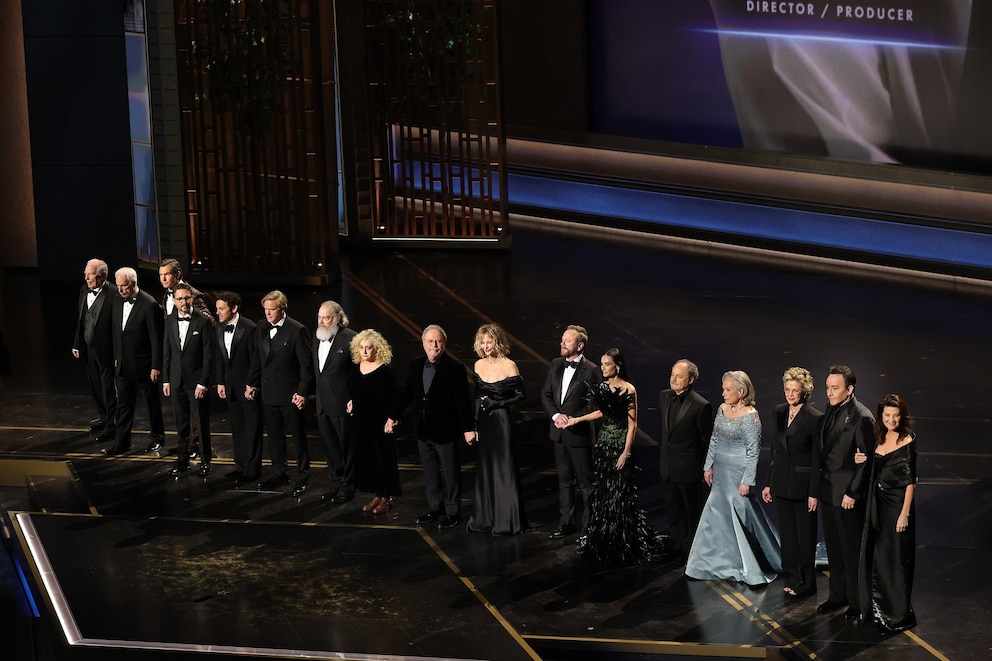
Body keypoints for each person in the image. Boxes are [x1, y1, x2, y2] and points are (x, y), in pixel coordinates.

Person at [566, 348, 662, 564]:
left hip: (619, 446)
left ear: (617, 366)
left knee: (619, 493)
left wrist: (626, 453)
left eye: (607, 364)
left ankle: (623, 540)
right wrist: (577, 419)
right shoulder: (602, 387)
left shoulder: (628, 389)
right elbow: (602, 412)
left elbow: (632, 424)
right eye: (602, 364)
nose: (603, 368)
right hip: (603, 446)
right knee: (604, 492)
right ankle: (605, 539)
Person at [686, 370, 781, 585]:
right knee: (716, 515)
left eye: (728, 390)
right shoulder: (722, 409)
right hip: (720, 471)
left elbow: (753, 451)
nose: (723, 393)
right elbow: (714, 439)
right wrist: (708, 466)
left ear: (741, 391)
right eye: (724, 389)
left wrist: (748, 480)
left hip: (738, 473)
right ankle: (710, 563)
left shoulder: (750, 416)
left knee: (742, 515)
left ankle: (748, 564)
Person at [386, 324, 475, 530]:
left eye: (438, 341)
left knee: (451, 474)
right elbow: (407, 393)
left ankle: (452, 512)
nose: (434, 345)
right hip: (423, 430)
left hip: (445, 431)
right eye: (430, 341)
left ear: (444, 344)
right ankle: (435, 508)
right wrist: (392, 415)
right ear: (423, 343)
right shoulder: (416, 364)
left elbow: (462, 401)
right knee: (430, 473)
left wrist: (468, 428)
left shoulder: (454, 368)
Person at [856, 394, 918, 633]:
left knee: (896, 560)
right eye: (887, 415)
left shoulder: (907, 440)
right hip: (877, 505)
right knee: (878, 558)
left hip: (897, 506)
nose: (891, 419)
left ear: (902, 416)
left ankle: (897, 615)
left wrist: (905, 514)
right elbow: (872, 464)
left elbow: (911, 482)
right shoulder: (878, 437)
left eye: (896, 415)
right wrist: (861, 458)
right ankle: (877, 610)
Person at [816, 365, 873, 621]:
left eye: (835, 388)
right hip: (829, 490)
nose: (829, 392)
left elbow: (866, 462)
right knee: (834, 549)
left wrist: (853, 492)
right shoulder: (830, 409)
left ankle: (857, 602)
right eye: (828, 387)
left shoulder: (862, 417)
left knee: (851, 551)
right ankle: (836, 596)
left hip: (847, 495)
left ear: (849, 389)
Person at [761, 367, 823, 598]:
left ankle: (806, 583)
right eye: (787, 389)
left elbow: (817, 458)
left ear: (804, 392)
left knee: (805, 537)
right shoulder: (779, 411)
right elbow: (775, 450)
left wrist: (814, 492)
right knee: (787, 536)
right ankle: (792, 577)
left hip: (803, 485)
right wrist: (769, 482)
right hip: (782, 482)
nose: (790, 394)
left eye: (795, 390)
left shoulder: (815, 418)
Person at [247, 290, 314, 497]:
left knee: (298, 437)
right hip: (269, 392)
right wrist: (252, 383)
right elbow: (258, 358)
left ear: (283, 309)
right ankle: (279, 473)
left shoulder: (297, 330)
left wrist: (302, 392)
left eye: (272, 309)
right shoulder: (261, 326)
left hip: (290, 394)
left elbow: (306, 366)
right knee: (275, 437)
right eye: (265, 309)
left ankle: (303, 476)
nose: (268, 313)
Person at [540, 325, 601, 540]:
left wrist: (573, 419)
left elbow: (594, 403)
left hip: (579, 434)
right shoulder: (556, 364)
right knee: (564, 481)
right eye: (562, 339)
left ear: (580, 345)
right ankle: (566, 523)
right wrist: (557, 416)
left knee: (586, 483)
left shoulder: (591, 370)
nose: (562, 343)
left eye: (567, 340)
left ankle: (589, 528)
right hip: (558, 433)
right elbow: (546, 394)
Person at [467, 323, 528, 536]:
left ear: (498, 342)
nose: (486, 346)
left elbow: (521, 395)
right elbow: (477, 396)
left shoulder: (509, 365)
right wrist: (474, 424)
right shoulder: (478, 365)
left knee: (503, 467)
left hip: (502, 421)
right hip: (485, 422)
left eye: (489, 342)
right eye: (482, 342)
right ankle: (486, 518)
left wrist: (497, 403)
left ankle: (506, 521)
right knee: (486, 468)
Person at [104, 267, 165, 455]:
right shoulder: (116, 300)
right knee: (123, 405)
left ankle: (158, 438)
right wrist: (117, 357)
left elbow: (156, 338)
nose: (120, 289)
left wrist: (155, 366)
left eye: (124, 286)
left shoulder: (149, 304)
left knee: (151, 403)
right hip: (123, 364)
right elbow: (116, 332)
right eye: (118, 285)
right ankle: (122, 443)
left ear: (134, 283)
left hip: (145, 365)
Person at [658, 359, 714, 562]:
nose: (673, 379)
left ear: (690, 380)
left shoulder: (701, 405)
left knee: (691, 514)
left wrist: (706, 467)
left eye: (679, 376)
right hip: (668, 466)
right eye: (672, 374)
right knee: (673, 511)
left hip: (688, 468)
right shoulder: (664, 396)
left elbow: (706, 440)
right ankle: (677, 545)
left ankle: (691, 552)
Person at [163, 283, 214, 476]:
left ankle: (205, 461)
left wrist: (203, 383)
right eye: (180, 299)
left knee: (201, 423)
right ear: (174, 301)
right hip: (176, 381)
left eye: (186, 298)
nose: (184, 302)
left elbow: (208, 356)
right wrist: (166, 380)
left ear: (191, 298)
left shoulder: (202, 321)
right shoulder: (169, 320)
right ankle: (182, 460)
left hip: (196, 383)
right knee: (181, 424)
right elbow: (167, 351)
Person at [348, 329, 400, 514]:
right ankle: (377, 494)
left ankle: (387, 497)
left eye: (368, 348)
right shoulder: (357, 369)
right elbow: (354, 390)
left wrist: (391, 419)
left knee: (382, 459)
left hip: (380, 423)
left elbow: (394, 398)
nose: (364, 351)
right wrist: (351, 401)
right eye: (361, 347)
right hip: (361, 422)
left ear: (376, 349)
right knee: (368, 458)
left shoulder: (384, 371)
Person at [214, 291, 263, 483]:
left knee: (252, 429)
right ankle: (241, 466)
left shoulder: (250, 328)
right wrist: (220, 381)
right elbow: (220, 357)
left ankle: (252, 470)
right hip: (231, 387)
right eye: (217, 308)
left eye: (221, 308)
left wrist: (252, 384)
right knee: (238, 429)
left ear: (234, 308)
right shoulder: (219, 326)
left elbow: (256, 359)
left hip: (248, 388)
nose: (217, 312)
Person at [313, 300, 358, 504]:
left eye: (326, 317)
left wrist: (354, 397)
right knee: (330, 447)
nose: (322, 321)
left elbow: (358, 373)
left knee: (346, 447)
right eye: (320, 317)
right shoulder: (317, 338)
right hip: (323, 404)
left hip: (342, 404)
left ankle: (349, 485)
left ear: (338, 318)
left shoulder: (350, 338)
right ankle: (336, 483)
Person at [72, 258, 116, 443]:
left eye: (90, 274)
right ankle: (104, 418)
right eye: (86, 274)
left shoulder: (114, 293)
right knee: (95, 386)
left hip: (106, 350)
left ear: (102, 276)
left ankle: (112, 425)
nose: (86, 278)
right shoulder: (84, 289)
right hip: (88, 348)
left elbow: (116, 327)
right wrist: (77, 343)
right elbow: (81, 319)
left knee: (108, 389)